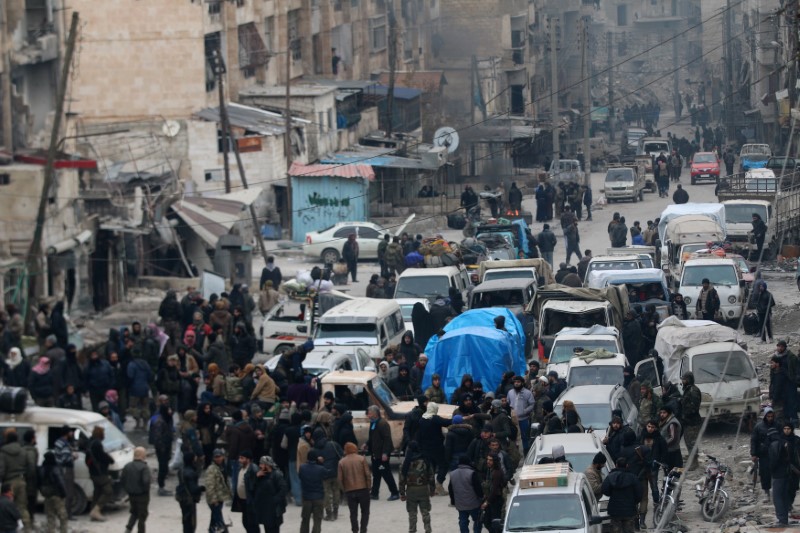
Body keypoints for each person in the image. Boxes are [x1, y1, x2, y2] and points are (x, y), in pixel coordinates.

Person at [363, 406, 399, 501]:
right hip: (375, 453)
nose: (368, 415)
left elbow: (387, 439)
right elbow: (372, 437)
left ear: (375, 413)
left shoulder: (382, 424)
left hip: (382, 454)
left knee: (386, 473)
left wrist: (385, 453)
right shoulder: (373, 423)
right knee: (376, 474)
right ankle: (374, 493)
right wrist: (367, 444)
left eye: (369, 413)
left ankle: (395, 492)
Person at [399, 441, 435, 533]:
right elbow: (431, 476)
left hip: (411, 490)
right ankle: (428, 529)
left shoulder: (405, 463)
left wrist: (402, 493)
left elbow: (402, 480)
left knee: (412, 514)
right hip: (423, 489)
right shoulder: (425, 461)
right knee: (425, 512)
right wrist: (432, 489)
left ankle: (412, 530)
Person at [769, 421, 800, 526]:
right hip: (786, 472)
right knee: (783, 495)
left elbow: (775, 461)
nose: (786, 431)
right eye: (784, 429)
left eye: (788, 429)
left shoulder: (794, 441)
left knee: (783, 495)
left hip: (789, 472)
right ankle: (784, 516)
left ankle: (783, 518)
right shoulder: (781, 442)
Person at [246, 456, 288, 533]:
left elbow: (283, 489)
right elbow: (251, 488)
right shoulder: (260, 475)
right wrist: (256, 477)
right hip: (264, 510)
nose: (260, 466)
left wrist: (274, 500)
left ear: (267, 465)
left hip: (274, 510)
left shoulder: (276, 475)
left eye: (262, 464)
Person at [338, 442, 372, 533]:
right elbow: (367, 474)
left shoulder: (342, 462)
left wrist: (344, 489)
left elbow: (340, 479)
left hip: (349, 491)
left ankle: (355, 530)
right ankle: (363, 530)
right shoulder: (361, 459)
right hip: (363, 489)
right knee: (365, 512)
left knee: (353, 513)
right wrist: (368, 486)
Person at [602, 457, 642, 533]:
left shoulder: (611, 477)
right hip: (629, 509)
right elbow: (639, 493)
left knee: (615, 529)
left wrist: (612, 493)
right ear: (627, 465)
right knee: (629, 529)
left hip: (614, 510)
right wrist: (634, 502)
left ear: (616, 465)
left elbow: (604, 490)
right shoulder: (633, 478)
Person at [750, 407, 779, 503]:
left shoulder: (778, 425)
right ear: (765, 416)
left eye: (771, 416)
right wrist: (753, 454)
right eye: (768, 416)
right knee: (765, 474)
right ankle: (767, 494)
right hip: (764, 454)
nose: (770, 418)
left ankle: (777, 493)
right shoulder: (759, 427)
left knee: (777, 473)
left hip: (776, 454)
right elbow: (754, 440)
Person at [449, 455, 483, 533]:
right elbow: (477, 488)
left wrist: (453, 501)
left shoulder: (452, 474)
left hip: (460, 504)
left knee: (463, 521)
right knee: (477, 520)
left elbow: (450, 489)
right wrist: (481, 498)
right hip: (473, 503)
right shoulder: (472, 473)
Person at [87, 426, 114, 522]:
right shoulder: (97, 444)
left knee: (97, 491)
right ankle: (96, 510)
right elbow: (102, 456)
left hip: (92, 471)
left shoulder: (90, 442)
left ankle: (93, 511)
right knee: (108, 490)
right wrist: (111, 460)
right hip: (100, 472)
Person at [121, 446, 151, 533]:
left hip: (131, 494)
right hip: (142, 495)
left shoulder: (127, 466)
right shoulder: (144, 467)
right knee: (142, 516)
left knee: (134, 512)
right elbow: (146, 482)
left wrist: (128, 489)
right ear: (142, 455)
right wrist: (145, 490)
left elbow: (122, 479)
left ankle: (128, 529)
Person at [38, 451, 67, 533]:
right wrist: (64, 493)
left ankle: (51, 530)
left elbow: (39, 483)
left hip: (47, 495)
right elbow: (61, 482)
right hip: (57, 495)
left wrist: (42, 491)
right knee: (63, 516)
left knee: (50, 516)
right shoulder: (55, 468)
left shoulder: (42, 469)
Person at [175, 450, 204, 533]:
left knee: (185, 520)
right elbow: (193, 489)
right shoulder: (191, 473)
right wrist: (201, 488)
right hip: (189, 500)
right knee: (191, 522)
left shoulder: (181, 470)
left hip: (182, 497)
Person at [149, 404, 174, 496]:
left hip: (166, 447)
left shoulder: (166, 419)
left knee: (164, 466)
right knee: (162, 467)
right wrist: (162, 448)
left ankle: (162, 486)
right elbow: (157, 437)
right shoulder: (160, 421)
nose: (170, 411)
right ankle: (161, 487)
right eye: (169, 409)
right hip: (162, 448)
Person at [299, 449, 326, 533]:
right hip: (318, 497)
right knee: (317, 521)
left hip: (306, 497)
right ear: (316, 458)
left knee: (305, 520)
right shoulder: (321, 468)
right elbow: (326, 475)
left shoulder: (302, 467)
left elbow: (300, 477)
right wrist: (321, 463)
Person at [204, 449, 231, 533]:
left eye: (220, 456)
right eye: (216, 457)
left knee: (214, 518)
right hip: (215, 499)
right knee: (219, 520)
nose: (218, 459)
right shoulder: (211, 469)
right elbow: (210, 486)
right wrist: (214, 499)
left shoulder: (222, 468)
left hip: (220, 497)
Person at [680, 372, 702, 470]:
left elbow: (694, 407)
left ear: (688, 380)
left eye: (684, 379)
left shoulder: (693, 390)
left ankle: (694, 462)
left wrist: (685, 413)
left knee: (691, 442)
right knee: (688, 441)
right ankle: (692, 459)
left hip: (693, 421)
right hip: (688, 421)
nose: (682, 381)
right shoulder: (688, 389)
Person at [658, 406, 683, 472]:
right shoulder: (665, 421)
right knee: (668, 473)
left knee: (676, 472)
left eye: (664, 413)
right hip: (668, 452)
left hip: (673, 452)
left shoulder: (672, 423)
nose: (662, 414)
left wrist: (663, 446)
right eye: (661, 413)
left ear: (669, 413)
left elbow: (673, 438)